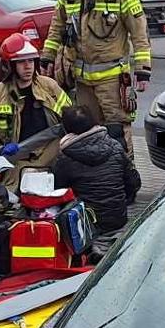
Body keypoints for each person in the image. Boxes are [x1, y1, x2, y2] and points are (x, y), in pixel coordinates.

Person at [41, 0, 150, 152]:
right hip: (81, 79)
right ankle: (96, 171)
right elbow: (57, 24)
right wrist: (47, 56)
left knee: (117, 130)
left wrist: (143, 69)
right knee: (86, 131)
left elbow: (138, 31)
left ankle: (124, 171)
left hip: (113, 80)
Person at [0, 33, 71, 176]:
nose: (28, 66)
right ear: (9, 65)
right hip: (15, 163)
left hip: (52, 156)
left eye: (31, 60)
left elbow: (70, 117)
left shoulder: (49, 86)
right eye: (21, 62)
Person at [50, 106, 140, 258]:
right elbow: (134, 183)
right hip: (118, 218)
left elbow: (57, 191)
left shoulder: (65, 157)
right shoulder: (116, 147)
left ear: (67, 129)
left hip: (85, 223)